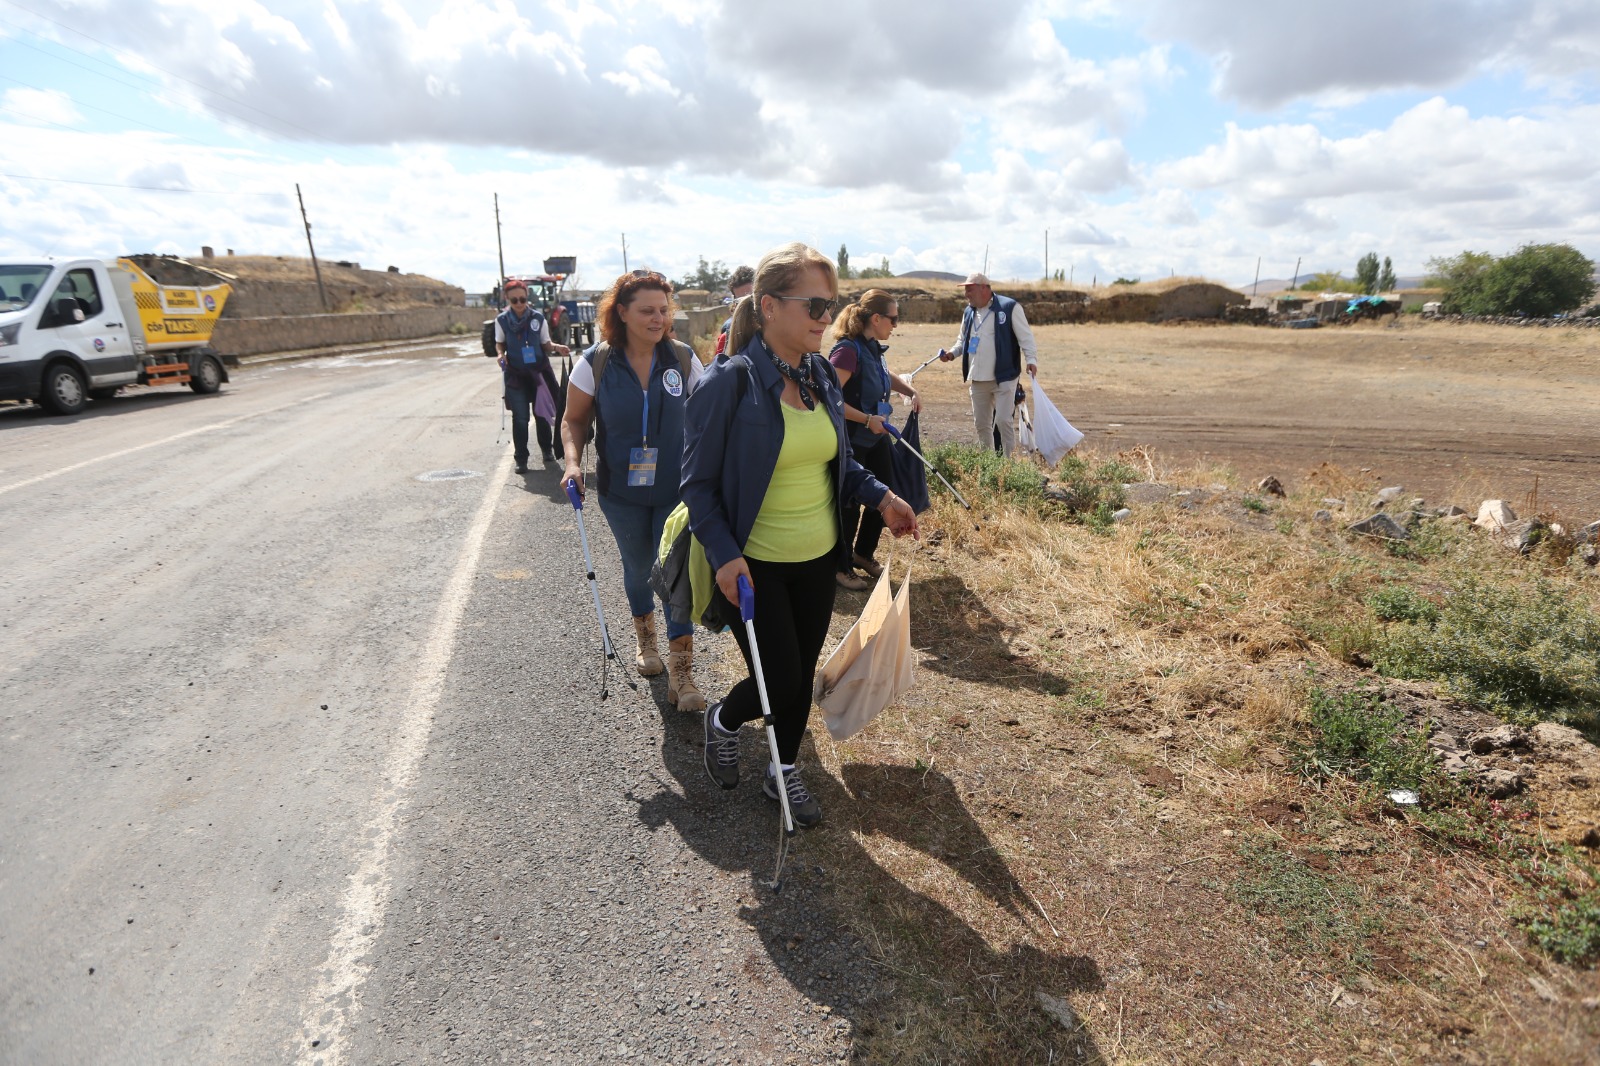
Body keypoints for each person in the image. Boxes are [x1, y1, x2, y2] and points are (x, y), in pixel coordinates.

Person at [682, 243, 919, 828]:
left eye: (830, 303)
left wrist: (881, 496)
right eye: (814, 303)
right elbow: (697, 484)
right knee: (783, 679)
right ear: (767, 306)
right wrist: (725, 555)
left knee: (800, 670)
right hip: (752, 564)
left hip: (817, 557)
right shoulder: (728, 384)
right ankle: (723, 722)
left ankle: (782, 769)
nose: (824, 315)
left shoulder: (818, 375)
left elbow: (837, 462)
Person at [561, 271, 706, 712]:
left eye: (663, 310)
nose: (658, 318)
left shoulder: (682, 360)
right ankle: (647, 641)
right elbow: (575, 419)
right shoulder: (596, 362)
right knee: (639, 566)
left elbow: (708, 419)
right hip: (620, 492)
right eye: (646, 310)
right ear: (621, 313)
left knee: (676, 573)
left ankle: (682, 675)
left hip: (677, 491)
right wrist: (572, 463)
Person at [828, 288, 921, 590]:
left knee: (887, 494)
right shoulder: (846, 351)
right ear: (876, 317)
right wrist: (867, 419)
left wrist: (909, 390)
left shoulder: (871, 347)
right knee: (850, 503)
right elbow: (830, 400)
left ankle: (862, 554)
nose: (896, 325)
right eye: (893, 319)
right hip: (852, 440)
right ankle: (840, 568)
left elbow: (883, 372)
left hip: (876, 437)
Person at [938, 272, 1038, 455]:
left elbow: (1026, 338)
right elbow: (962, 341)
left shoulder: (1009, 307)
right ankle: (988, 464)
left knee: (1003, 420)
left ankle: (1008, 466)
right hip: (977, 377)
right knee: (981, 424)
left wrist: (1031, 359)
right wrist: (951, 354)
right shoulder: (968, 312)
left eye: (969, 289)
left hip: (1005, 377)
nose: (966, 294)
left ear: (984, 288)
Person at [496, 279, 570, 472]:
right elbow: (500, 343)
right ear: (507, 299)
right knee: (520, 418)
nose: (519, 303)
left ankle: (547, 451)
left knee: (542, 415)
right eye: (514, 300)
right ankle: (521, 458)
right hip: (516, 376)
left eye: (522, 299)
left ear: (527, 297)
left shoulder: (538, 318)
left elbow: (545, 343)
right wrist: (500, 354)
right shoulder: (501, 320)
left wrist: (556, 347)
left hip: (538, 374)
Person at [713, 264, 755, 357]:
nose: (747, 305)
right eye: (740, 300)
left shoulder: (775, 323)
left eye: (751, 298)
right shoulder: (729, 329)